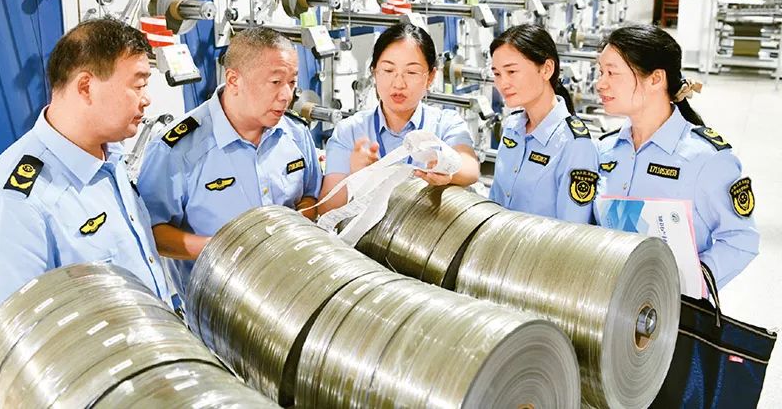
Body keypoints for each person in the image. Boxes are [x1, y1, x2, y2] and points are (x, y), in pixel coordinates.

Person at [0, 18, 170, 324]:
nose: (146, 99)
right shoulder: (18, 202)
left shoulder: (112, 157)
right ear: (86, 87)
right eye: (138, 85)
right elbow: (8, 335)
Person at [138, 26, 322, 296]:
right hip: (217, 302)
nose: (286, 95)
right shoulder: (177, 149)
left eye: (292, 82)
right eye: (275, 82)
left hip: (290, 290)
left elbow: (310, 196)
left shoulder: (296, 133)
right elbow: (152, 231)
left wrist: (294, 227)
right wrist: (224, 249)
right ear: (234, 80)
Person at [595, 23, 759, 289]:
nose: (600, 83)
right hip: (605, 298)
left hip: (670, 305)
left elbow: (741, 239)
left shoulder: (706, 159)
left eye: (612, 73)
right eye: (600, 72)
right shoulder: (604, 149)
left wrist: (688, 283)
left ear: (656, 79)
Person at [319, 23, 480, 213]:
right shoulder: (350, 131)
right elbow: (326, 208)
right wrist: (355, 176)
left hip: (427, 230)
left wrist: (447, 166)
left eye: (411, 72)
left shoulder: (446, 123)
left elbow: (471, 168)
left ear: (430, 77)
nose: (398, 83)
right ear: (374, 72)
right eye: (388, 70)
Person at [488, 24, 599, 223]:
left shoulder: (575, 145)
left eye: (511, 71)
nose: (503, 83)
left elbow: (574, 230)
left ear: (547, 69)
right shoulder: (512, 128)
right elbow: (495, 202)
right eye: (497, 74)